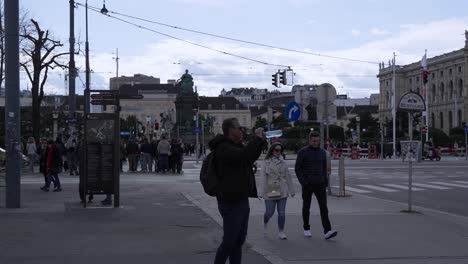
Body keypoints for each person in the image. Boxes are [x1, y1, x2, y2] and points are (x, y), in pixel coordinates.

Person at [209, 118, 266, 264]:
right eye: (238, 128)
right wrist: (256, 140)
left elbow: (249, 157)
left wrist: (259, 143)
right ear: (230, 130)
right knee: (229, 240)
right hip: (230, 201)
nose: (241, 130)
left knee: (238, 239)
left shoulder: (236, 145)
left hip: (241, 198)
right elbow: (243, 155)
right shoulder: (224, 148)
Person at [295, 131, 337, 240]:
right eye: (314, 141)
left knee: (324, 207)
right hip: (307, 184)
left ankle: (327, 230)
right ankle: (306, 228)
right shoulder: (303, 152)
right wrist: (303, 182)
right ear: (309, 140)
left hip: (320, 183)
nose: (316, 143)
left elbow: (325, 168)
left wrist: (325, 182)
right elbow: (297, 168)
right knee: (306, 206)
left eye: (318, 141)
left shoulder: (323, 152)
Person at [259, 142, 295, 240]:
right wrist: (260, 192)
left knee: (282, 212)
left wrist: (292, 190)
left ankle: (281, 231)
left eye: (280, 150)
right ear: (272, 151)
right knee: (269, 212)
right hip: (270, 189)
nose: (278, 152)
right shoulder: (265, 162)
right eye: (276, 150)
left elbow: (288, 177)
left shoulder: (283, 163)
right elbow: (262, 178)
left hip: (282, 190)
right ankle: (265, 223)